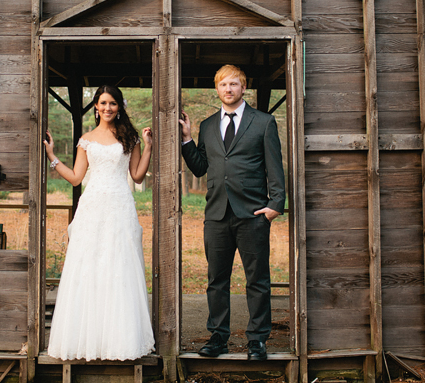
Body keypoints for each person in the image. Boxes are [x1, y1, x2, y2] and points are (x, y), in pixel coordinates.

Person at [180, 64, 285, 361]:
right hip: (216, 215)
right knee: (217, 279)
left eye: (234, 84)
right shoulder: (209, 124)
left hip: (253, 214)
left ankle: (257, 340)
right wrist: (187, 139)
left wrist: (275, 205)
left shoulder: (263, 122)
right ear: (217, 89)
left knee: (258, 280)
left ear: (243, 87)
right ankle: (218, 337)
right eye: (224, 85)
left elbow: (274, 167)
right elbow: (201, 167)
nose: (229, 89)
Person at [43, 85, 155, 361]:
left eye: (113, 103)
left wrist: (149, 146)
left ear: (119, 107)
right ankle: (87, 339)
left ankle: (120, 341)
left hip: (120, 206)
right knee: (88, 266)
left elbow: (138, 176)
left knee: (119, 267)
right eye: (103, 103)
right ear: (95, 106)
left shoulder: (129, 137)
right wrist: (52, 156)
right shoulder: (86, 140)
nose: (108, 108)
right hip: (92, 207)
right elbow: (76, 178)